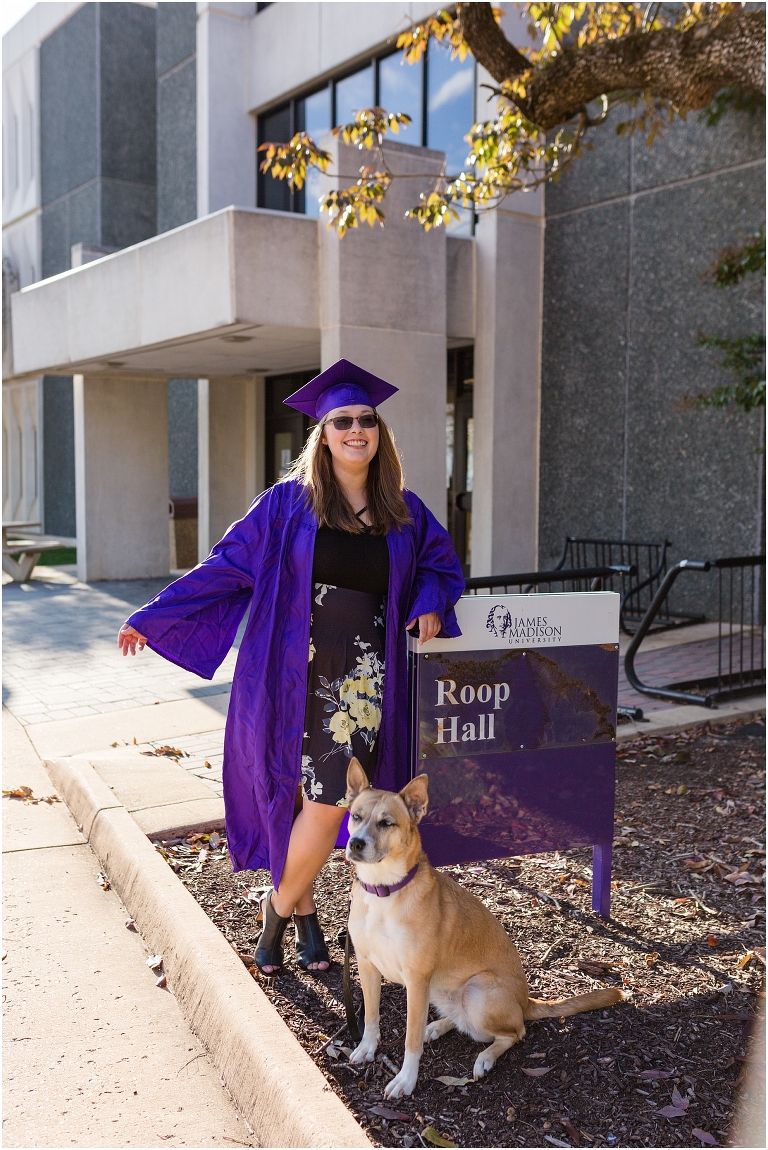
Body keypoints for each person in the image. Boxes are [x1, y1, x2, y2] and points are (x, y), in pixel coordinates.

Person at [118, 359, 464, 974]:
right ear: (323, 435)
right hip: (290, 669)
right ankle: (306, 919)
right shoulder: (286, 506)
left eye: (366, 420)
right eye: (342, 422)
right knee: (295, 799)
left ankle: (274, 915)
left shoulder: (403, 512)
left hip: (361, 681)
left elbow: (441, 566)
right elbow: (227, 565)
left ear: (378, 433)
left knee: (333, 802)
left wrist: (432, 602)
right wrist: (156, 614)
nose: (356, 430)